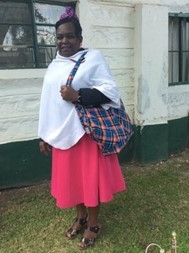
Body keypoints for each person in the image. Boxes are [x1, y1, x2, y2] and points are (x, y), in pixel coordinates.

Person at [38, 6, 126, 250]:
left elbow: (111, 92)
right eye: (59, 37)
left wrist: (78, 95)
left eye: (69, 36)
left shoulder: (93, 58)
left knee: (89, 182)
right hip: (61, 134)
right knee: (74, 182)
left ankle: (94, 224)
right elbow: (48, 103)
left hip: (86, 134)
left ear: (80, 39)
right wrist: (44, 135)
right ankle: (80, 217)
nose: (64, 41)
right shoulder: (54, 65)